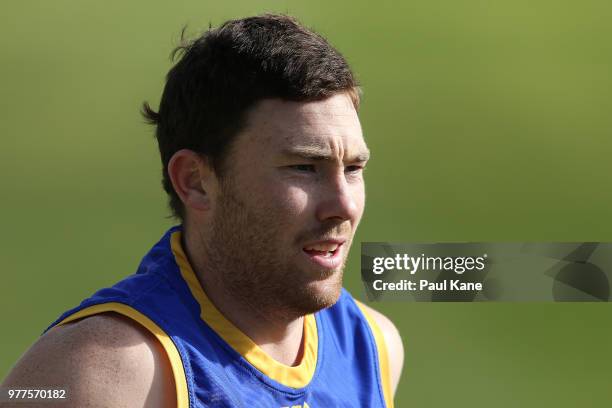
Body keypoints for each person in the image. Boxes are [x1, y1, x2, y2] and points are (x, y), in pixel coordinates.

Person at [2, 14, 403, 407]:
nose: (343, 206)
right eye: (303, 167)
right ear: (195, 181)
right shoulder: (103, 375)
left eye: (353, 169)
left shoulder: (373, 346)